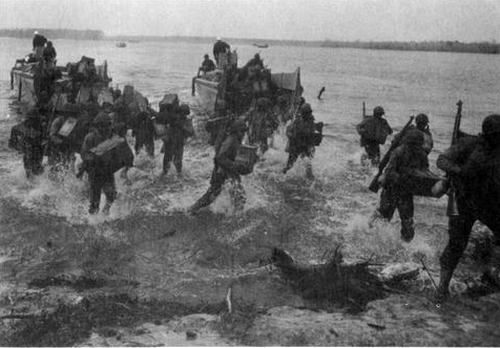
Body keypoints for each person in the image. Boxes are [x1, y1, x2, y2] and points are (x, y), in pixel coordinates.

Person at [435, 114, 500, 299]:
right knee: (456, 244)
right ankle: (442, 288)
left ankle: (489, 273)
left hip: (490, 202)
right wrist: (460, 171)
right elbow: (442, 160)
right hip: (462, 200)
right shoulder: (469, 145)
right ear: (489, 133)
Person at [370, 129, 429, 242]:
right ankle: (372, 235)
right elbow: (390, 171)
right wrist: (403, 179)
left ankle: (406, 244)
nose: (416, 147)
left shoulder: (422, 155)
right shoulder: (399, 151)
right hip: (392, 189)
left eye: (417, 144)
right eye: (414, 144)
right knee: (383, 216)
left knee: (407, 221)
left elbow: (425, 171)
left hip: (406, 192)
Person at [190, 119, 248, 213]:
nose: (243, 134)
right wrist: (234, 165)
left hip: (229, 172)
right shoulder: (230, 141)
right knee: (212, 195)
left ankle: (236, 213)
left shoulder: (236, 140)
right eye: (242, 131)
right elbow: (219, 157)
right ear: (236, 131)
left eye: (245, 131)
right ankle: (192, 209)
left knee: (239, 195)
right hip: (221, 172)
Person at [80, 112, 116, 215]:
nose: (106, 128)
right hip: (95, 172)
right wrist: (95, 158)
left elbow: (118, 153)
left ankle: (106, 211)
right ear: (98, 126)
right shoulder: (90, 138)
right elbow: (84, 154)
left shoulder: (113, 137)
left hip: (108, 171)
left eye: (108, 125)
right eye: (103, 125)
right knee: (95, 200)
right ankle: (93, 220)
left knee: (112, 195)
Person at [283, 103, 317, 178]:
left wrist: (312, 147)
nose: (307, 115)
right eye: (305, 113)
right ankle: (283, 176)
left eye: (308, 113)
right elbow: (288, 130)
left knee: (308, 165)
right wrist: (291, 137)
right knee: (289, 166)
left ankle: (309, 180)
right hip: (295, 146)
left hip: (305, 146)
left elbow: (312, 137)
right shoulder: (297, 121)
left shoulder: (311, 122)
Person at [162, 103, 190, 176]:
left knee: (176, 160)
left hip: (178, 142)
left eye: (185, 114)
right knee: (169, 159)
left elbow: (190, 132)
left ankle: (177, 173)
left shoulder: (184, 121)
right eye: (183, 113)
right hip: (172, 142)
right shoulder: (174, 119)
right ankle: (166, 173)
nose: (184, 115)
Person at [22, 109, 45, 178]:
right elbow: (34, 135)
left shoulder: (26, 124)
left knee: (30, 166)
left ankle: (31, 179)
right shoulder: (35, 125)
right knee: (34, 166)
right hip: (33, 149)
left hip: (31, 148)